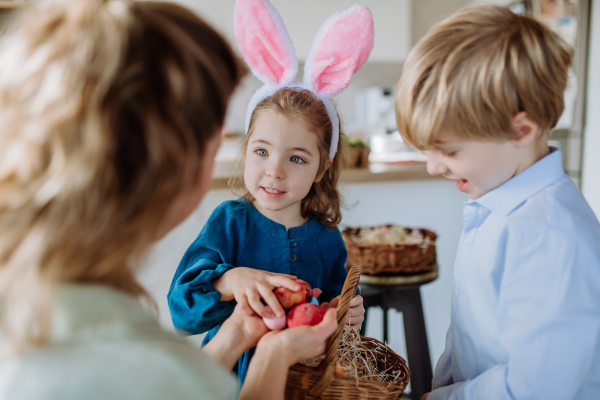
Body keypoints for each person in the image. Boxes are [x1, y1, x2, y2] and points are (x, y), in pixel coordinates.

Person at [0, 1, 338, 399]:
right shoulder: (167, 372)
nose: (273, 170)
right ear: (181, 172)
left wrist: (240, 335)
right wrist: (272, 355)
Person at [395, 6, 600, 400]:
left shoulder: (547, 237)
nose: (433, 166)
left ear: (520, 131)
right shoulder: (501, 204)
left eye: (448, 150)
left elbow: (539, 388)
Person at [167, 0, 373, 385]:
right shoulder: (230, 223)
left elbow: (335, 325)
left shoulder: (328, 239)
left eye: (296, 159)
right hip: (230, 382)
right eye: (262, 151)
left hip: (306, 387)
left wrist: (347, 316)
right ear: (246, 151)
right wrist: (231, 281)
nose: (274, 171)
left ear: (322, 168)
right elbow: (182, 310)